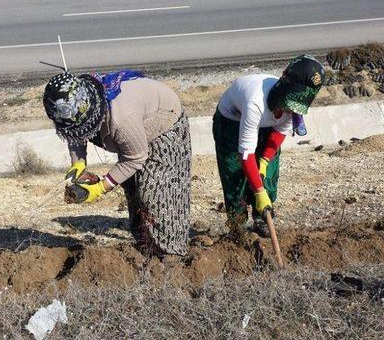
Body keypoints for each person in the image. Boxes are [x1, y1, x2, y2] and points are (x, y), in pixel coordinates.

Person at [42, 70, 191, 256]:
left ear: (94, 113)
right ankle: (145, 243)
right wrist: (78, 163)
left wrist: (100, 188)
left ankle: (170, 252)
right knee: (133, 189)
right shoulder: (80, 107)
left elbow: (135, 157)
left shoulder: (122, 119)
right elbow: (75, 133)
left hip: (164, 126)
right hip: (135, 131)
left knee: (156, 193)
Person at [212, 55, 325, 238]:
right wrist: (258, 190)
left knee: (268, 173)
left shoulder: (295, 106)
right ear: (284, 84)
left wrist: (264, 161)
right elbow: (246, 156)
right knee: (235, 174)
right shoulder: (255, 102)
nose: (291, 110)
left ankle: (262, 217)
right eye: (290, 104)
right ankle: (237, 226)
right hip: (231, 121)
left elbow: (279, 133)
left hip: (266, 124)